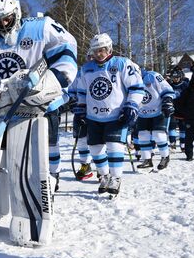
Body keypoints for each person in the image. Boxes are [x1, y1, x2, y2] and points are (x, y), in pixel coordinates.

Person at [0, 0, 77, 246]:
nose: (3, 24)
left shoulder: (41, 27)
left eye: (7, 18)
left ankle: (32, 216)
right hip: (0, 110)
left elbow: (66, 54)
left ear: (17, 12)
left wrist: (48, 85)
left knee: (29, 164)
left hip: (38, 108)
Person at [74, 33, 144, 196]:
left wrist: (132, 105)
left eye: (103, 50)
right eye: (96, 50)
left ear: (109, 49)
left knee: (114, 146)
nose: (99, 53)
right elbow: (82, 91)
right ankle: (104, 176)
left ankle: (116, 178)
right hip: (93, 116)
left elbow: (136, 87)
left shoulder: (122, 63)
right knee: (95, 148)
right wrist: (80, 109)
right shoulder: (86, 68)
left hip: (116, 115)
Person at [135, 69, 176, 170]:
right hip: (142, 112)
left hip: (158, 110)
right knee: (143, 135)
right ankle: (147, 159)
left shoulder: (152, 76)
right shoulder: (128, 79)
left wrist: (167, 101)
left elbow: (166, 88)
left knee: (159, 135)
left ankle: (165, 157)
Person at [69, 51, 94, 181]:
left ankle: (103, 169)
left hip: (99, 112)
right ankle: (86, 165)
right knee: (81, 139)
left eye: (93, 56)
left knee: (100, 140)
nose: (91, 58)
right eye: (89, 56)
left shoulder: (104, 70)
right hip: (81, 111)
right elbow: (71, 90)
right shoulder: (79, 73)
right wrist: (73, 102)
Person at [167, 70, 189, 150]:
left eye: (177, 77)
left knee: (183, 128)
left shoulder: (185, 85)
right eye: (174, 78)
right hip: (172, 109)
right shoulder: (169, 85)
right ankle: (172, 142)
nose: (175, 79)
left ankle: (183, 143)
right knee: (171, 126)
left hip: (183, 110)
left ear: (180, 77)